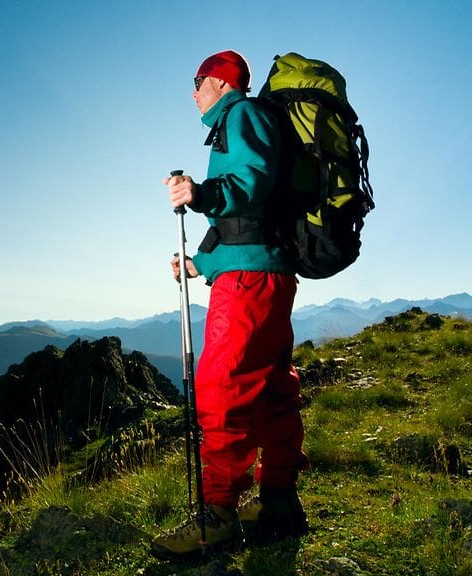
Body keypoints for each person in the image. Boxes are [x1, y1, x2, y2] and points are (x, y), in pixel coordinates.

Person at [151, 50, 309, 560]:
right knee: (270, 389)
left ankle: (216, 518)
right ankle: (278, 504)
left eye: (197, 81)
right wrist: (201, 262)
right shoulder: (245, 121)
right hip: (262, 272)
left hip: (246, 286)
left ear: (220, 81)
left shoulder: (242, 115)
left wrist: (197, 194)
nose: (192, 92)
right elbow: (244, 218)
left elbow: (247, 184)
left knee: (222, 389)